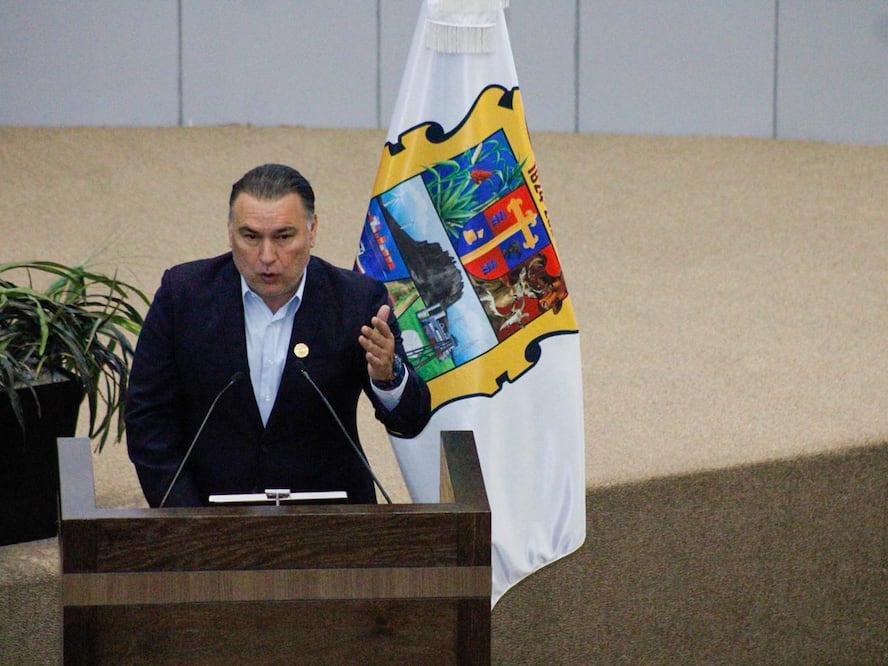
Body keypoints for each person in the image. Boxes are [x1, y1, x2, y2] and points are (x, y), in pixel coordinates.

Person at [125, 163, 431, 507]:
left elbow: (412, 418)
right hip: (208, 514)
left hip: (329, 517)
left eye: (284, 237)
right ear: (230, 232)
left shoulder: (357, 301)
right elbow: (147, 415)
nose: (267, 257)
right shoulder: (183, 296)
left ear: (312, 231)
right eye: (250, 237)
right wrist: (185, 516)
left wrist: (388, 377)